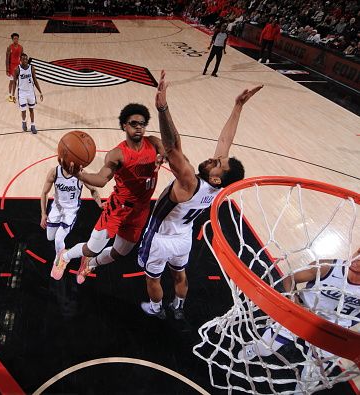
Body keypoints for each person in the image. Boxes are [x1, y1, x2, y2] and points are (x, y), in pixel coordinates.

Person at [139, 70, 261, 320]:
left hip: (161, 238)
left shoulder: (189, 183)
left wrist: (162, 109)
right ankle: (179, 306)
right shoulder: (217, 186)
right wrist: (238, 106)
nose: (214, 157)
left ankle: (156, 308)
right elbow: (226, 140)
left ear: (216, 176)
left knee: (153, 278)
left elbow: (173, 146)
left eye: (217, 162)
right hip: (184, 237)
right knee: (180, 274)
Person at [51, 104, 165, 283]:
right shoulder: (117, 154)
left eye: (142, 124)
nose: (138, 127)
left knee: (119, 253)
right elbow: (102, 179)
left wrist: (164, 156)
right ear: (124, 126)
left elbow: (168, 149)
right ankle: (64, 257)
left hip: (140, 211)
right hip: (117, 209)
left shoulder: (154, 143)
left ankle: (89, 264)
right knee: (91, 248)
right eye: (133, 123)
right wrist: (80, 175)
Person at [237, 247, 360, 392]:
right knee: (265, 349)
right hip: (302, 315)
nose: (356, 259)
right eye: (359, 252)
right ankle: (254, 349)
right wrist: (293, 299)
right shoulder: (328, 267)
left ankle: (300, 390)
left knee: (311, 376)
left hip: (334, 330)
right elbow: (290, 278)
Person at [40, 164, 102, 279]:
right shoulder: (55, 172)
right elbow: (44, 193)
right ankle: (64, 251)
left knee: (59, 238)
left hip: (71, 211)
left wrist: (99, 203)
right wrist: (43, 214)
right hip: (56, 208)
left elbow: (93, 189)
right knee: (50, 237)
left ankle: (59, 262)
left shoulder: (81, 174)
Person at [12, 53, 43, 134]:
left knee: (31, 109)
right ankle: (24, 122)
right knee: (23, 111)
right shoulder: (17, 69)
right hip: (22, 92)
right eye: (23, 59)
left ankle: (33, 125)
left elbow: (35, 80)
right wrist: (12, 94)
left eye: (26, 59)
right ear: (20, 60)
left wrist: (40, 92)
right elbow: (14, 82)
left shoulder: (31, 68)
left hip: (30, 92)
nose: (25, 60)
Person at [5, 33, 23, 103]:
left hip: (18, 66)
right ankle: (10, 95)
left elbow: (22, 57)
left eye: (17, 38)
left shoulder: (21, 47)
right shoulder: (9, 47)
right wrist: (7, 69)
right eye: (14, 38)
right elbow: (7, 59)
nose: (16, 40)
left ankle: (13, 95)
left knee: (17, 82)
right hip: (12, 66)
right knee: (11, 81)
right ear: (12, 39)